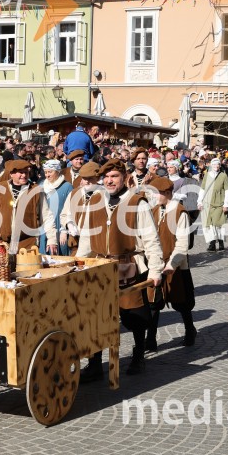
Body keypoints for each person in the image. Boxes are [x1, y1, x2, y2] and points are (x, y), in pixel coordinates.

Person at [77, 158, 163, 380]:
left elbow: (152, 240)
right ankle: (95, 363)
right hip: (99, 267)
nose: (109, 181)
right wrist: (78, 262)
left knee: (133, 315)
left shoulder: (137, 203)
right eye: (105, 177)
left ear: (125, 178)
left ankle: (138, 355)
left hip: (128, 266)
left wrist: (155, 270)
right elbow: (86, 237)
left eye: (114, 176)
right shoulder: (95, 201)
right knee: (95, 316)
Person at [146, 177, 197, 350]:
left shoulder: (179, 212)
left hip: (176, 265)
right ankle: (150, 340)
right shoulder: (153, 211)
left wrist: (172, 264)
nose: (153, 196)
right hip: (156, 263)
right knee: (153, 303)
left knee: (182, 302)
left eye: (157, 193)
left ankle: (190, 330)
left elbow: (183, 243)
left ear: (167, 193)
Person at [0, 159, 58, 254]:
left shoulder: (36, 191)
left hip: (28, 244)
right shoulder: (0, 188)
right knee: (3, 269)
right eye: (20, 172)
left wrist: (52, 239)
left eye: (26, 172)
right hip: (3, 244)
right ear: (11, 174)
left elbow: (46, 216)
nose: (24, 175)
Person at [38, 159, 73, 256]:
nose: (47, 175)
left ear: (58, 171)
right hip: (46, 226)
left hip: (60, 226)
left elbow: (70, 210)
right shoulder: (42, 186)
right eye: (45, 172)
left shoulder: (67, 187)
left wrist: (64, 230)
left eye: (50, 172)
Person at [198, 157, 228, 251]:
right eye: (215, 164)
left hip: (219, 202)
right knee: (209, 224)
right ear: (211, 165)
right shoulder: (207, 175)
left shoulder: (223, 176)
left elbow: (227, 191)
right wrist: (199, 201)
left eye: (218, 164)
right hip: (208, 203)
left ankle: (220, 241)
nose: (216, 166)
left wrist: (226, 204)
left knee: (218, 223)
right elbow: (202, 189)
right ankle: (212, 243)